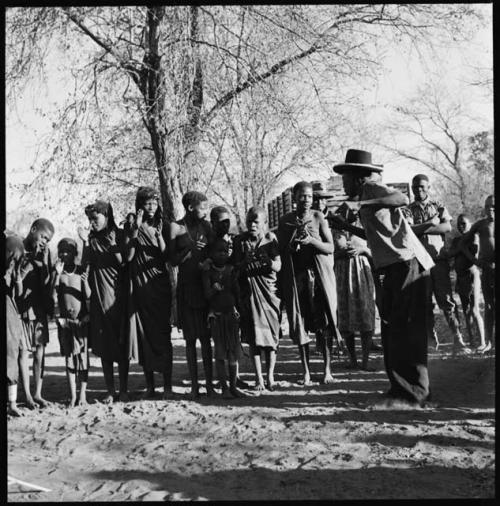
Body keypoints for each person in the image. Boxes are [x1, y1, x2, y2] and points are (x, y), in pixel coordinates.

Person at [332, 149, 434, 407]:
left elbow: (400, 197)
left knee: (407, 331)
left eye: (345, 178)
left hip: (408, 265)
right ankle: (399, 391)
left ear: (358, 178)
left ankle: (414, 395)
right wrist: (345, 226)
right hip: (392, 268)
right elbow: (376, 235)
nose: (343, 184)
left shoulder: (373, 189)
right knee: (392, 331)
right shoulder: (366, 197)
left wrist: (360, 205)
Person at [277, 181, 341, 386]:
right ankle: (306, 371)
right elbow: (281, 250)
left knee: (323, 324)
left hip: (318, 277)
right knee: (301, 323)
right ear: (294, 198)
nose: (306, 200)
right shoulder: (285, 220)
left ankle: (327, 370)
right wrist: (293, 245)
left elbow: (330, 247)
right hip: (298, 279)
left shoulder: (318, 217)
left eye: (309, 196)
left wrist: (311, 241)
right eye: (301, 196)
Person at [405, 174, 470, 354]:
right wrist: (431, 223)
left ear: (428, 187)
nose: (419, 190)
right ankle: (431, 341)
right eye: (416, 186)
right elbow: (408, 231)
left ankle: (458, 339)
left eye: (422, 186)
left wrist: (422, 227)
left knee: (447, 300)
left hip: (438, 260)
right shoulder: (408, 209)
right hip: (419, 262)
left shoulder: (438, 206)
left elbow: (447, 227)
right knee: (424, 303)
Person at [125, 187, 176, 399]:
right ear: (139, 205)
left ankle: (167, 386)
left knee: (163, 335)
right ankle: (150, 387)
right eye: (147, 203)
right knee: (145, 335)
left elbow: (168, 259)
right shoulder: (131, 224)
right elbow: (128, 256)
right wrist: (135, 231)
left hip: (159, 284)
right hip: (141, 287)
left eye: (154, 203)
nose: (152, 207)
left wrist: (160, 238)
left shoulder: (163, 224)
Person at [80, 200, 130, 403]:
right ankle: (110, 390)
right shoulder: (90, 239)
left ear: (107, 216)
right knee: (105, 346)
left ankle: (124, 389)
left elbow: (125, 264)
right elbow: (84, 267)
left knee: (121, 344)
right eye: (89, 219)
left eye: (95, 218)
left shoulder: (118, 235)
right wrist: (83, 242)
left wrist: (113, 248)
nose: (92, 223)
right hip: (98, 298)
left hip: (118, 297)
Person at [169, 191, 214, 398]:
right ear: (189, 208)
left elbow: (216, 252)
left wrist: (209, 259)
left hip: (204, 287)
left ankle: (210, 385)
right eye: (202, 207)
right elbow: (171, 260)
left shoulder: (207, 227)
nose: (205, 211)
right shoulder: (176, 227)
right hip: (186, 288)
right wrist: (187, 252)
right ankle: (195, 385)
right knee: (189, 340)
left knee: (206, 339)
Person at [233, 207, 282, 391]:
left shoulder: (270, 239)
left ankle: (270, 376)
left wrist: (267, 261)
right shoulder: (239, 241)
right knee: (254, 337)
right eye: (249, 222)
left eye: (256, 222)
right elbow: (235, 268)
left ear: (264, 223)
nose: (252, 225)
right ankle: (259, 378)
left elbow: (278, 265)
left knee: (271, 337)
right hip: (249, 295)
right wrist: (245, 261)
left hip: (269, 294)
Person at [209, 205, 250, 389]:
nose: (225, 225)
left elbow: (239, 263)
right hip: (218, 295)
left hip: (236, 290)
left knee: (235, 339)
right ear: (213, 223)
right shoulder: (212, 244)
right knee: (220, 342)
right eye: (221, 222)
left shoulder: (236, 240)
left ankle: (236, 378)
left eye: (228, 221)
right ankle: (224, 380)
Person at [17, 218, 55, 408]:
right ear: (33, 230)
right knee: (23, 353)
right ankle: (27, 396)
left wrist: (46, 264)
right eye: (43, 237)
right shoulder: (17, 249)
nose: (44, 242)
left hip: (38, 309)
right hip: (21, 310)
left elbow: (47, 284)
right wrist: (29, 264)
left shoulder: (44, 254)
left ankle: (37, 393)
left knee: (40, 352)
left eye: (48, 240)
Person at [332, 204, 376, 371]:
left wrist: (363, 249)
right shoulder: (335, 230)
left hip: (362, 273)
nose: (349, 214)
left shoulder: (365, 228)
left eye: (353, 211)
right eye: (345, 211)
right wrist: (341, 253)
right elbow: (329, 254)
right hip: (342, 275)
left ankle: (365, 360)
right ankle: (353, 359)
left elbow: (376, 252)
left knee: (365, 314)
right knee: (345, 317)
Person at [202, 238, 245, 398]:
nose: (222, 254)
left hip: (231, 316)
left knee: (233, 352)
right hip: (217, 317)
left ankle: (233, 386)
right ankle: (224, 388)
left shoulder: (231, 270)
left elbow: (236, 292)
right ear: (211, 254)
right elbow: (206, 295)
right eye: (218, 251)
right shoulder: (208, 272)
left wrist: (238, 307)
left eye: (225, 251)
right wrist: (214, 289)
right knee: (220, 353)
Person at [52, 238, 91, 407]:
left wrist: (85, 281)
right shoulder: (58, 274)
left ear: (75, 254)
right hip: (65, 323)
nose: (64, 254)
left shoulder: (81, 271)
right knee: (69, 358)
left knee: (82, 359)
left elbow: (88, 296)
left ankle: (82, 395)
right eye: (61, 251)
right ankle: (72, 395)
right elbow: (53, 296)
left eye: (68, 251)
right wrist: (56, 275)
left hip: (81, 322)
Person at [444, 214, 486, 352]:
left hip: (472, 276)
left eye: (464, 223)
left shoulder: (474, 237)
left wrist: (462, 249)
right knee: (466, 311)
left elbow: (475, 258)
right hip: (460, 278)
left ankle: (483, 341)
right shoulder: (457, 240)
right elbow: (450, 254)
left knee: (474, 310)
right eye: (459, 224)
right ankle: (472, 340)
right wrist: (458, 249)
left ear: (470, 224)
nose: (461, 226)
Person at [462, 195, 495, 351]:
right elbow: (463, 244)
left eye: (494, 206)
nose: (490, 209)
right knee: (489, 306)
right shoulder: (480, 225)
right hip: (488, 269)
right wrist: (475, 261)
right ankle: (489, 342)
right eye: (488, 206)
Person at [6, 234, 29, 416]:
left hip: (10, 315)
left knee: (11, 355)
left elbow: (18, 294)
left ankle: (12, 403)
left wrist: (19, 277)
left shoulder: (14, 270)